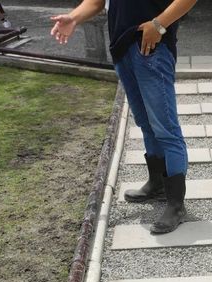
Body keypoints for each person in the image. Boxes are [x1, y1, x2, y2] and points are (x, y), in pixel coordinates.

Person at [50, 0, 195, 234]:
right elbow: (96, 2)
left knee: (165, 128)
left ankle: (176, 205)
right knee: (146, 123)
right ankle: (157, 184)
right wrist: (74, 17)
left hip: (153, 47)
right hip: (122, 48)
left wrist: (159, 25)